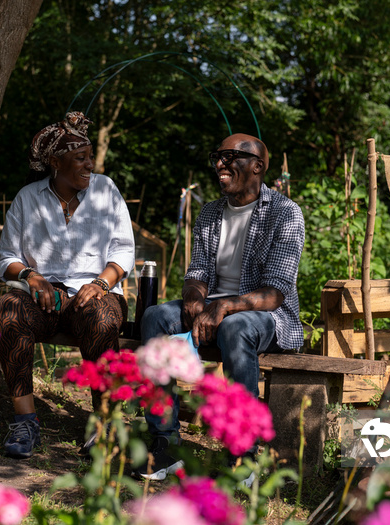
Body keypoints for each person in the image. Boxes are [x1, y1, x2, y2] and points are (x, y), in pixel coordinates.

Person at [136, 133, 305, 480]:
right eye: (217, 157)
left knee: (236, 327)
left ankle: (242, 454)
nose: (220, 165)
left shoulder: (286, 213)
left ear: (257, 166)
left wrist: (225, 307)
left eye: (231, 157)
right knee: (154, 317)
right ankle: (164, 444)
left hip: (266, 315)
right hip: (214, 307)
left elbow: (275, 291)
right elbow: (197, 271)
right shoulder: (211, 212)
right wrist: (195, 296)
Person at [0, 112, 135, 458]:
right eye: (80, 158)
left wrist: (103, 283)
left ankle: (103, 426)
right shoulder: (28, 198)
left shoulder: (106, 190)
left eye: (90, 156)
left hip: (95, 294)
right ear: (55, 162)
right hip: (44, 299)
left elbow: (124, 249)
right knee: (9, 309)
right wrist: (31, 275)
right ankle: (25, 421)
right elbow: (6, 256)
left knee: (103, 318)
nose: (90, 164)